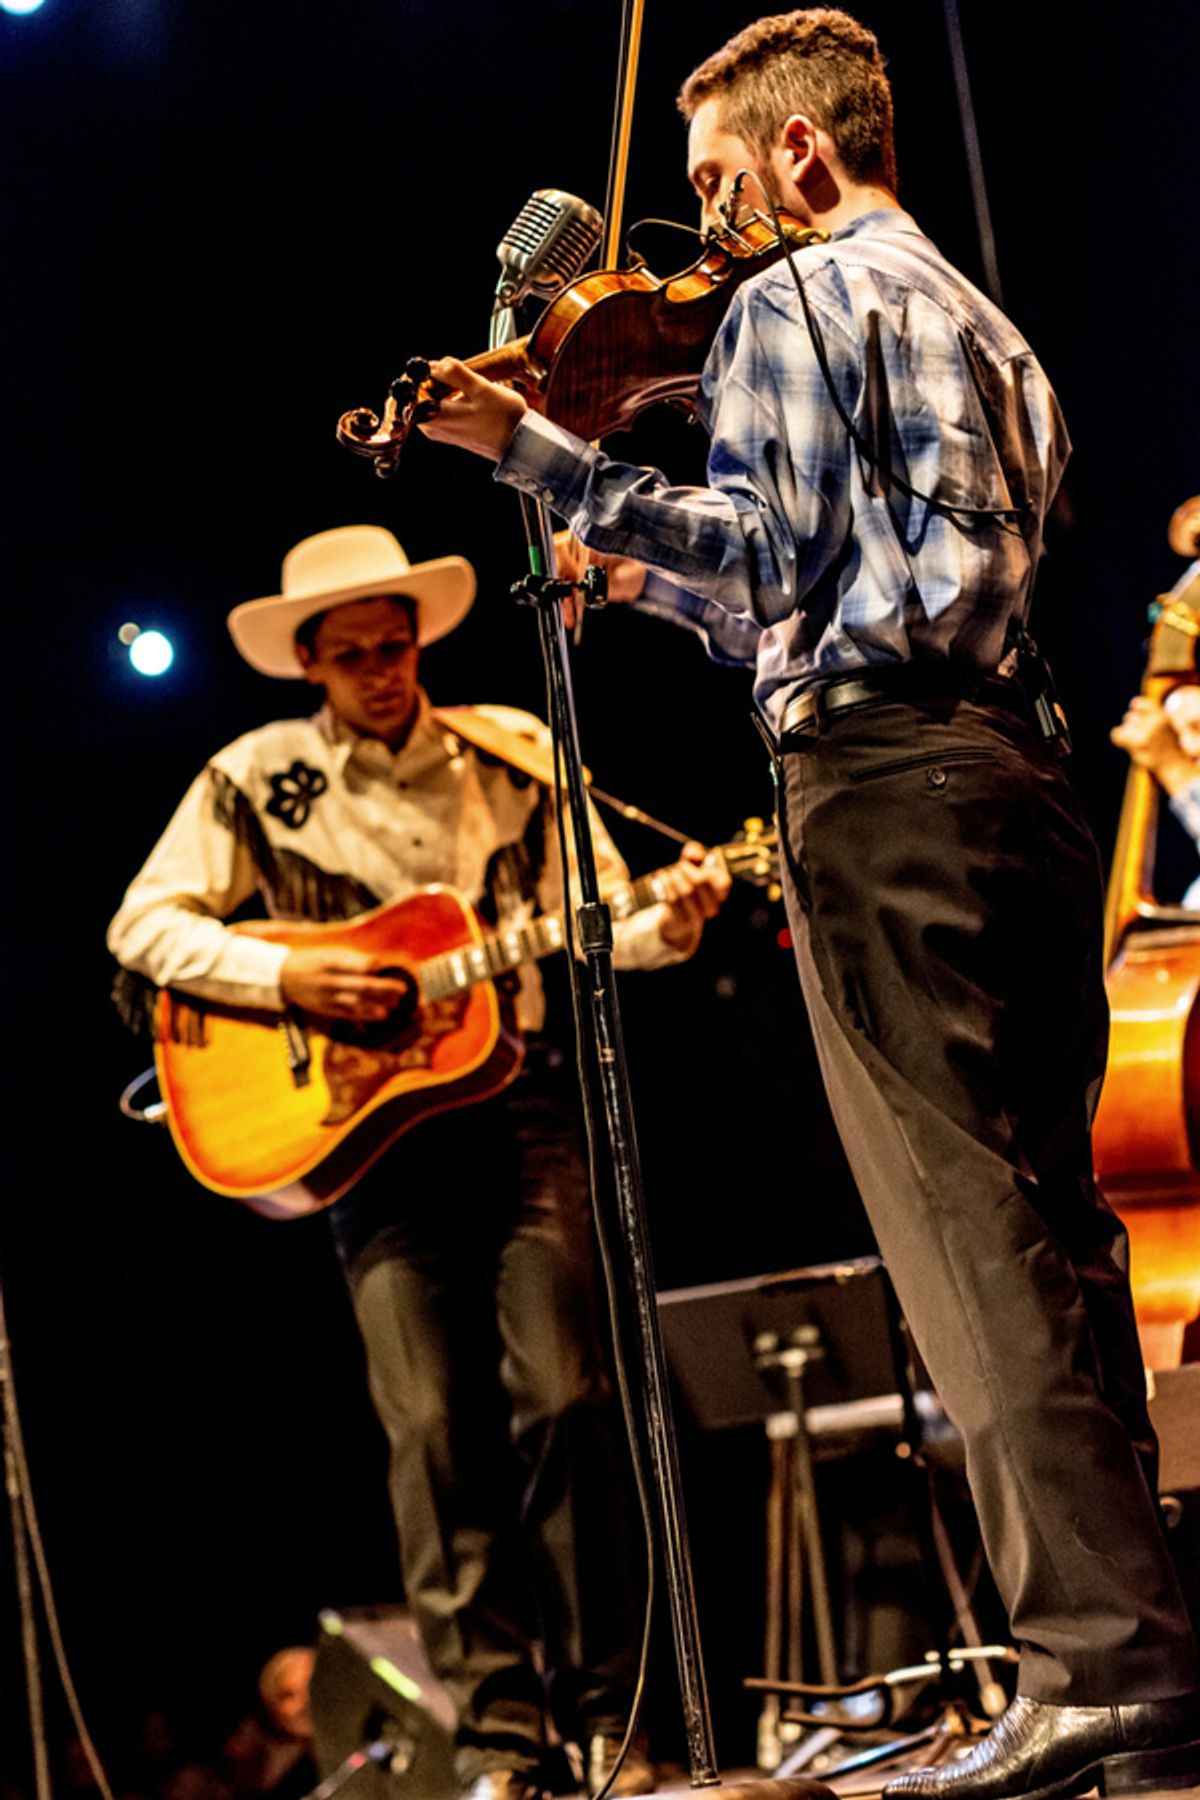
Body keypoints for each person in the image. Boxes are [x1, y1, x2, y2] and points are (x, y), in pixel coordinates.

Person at [411, 9, 1200, 1796]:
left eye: (709, 184)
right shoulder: (987, 325)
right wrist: (654, 559)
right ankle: (1142, 1660)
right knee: (1056, 1234)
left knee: (965, 1242)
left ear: (799, 157)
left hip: (875, 791)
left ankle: (1092, 1674)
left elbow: (774, 561)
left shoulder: (784, 300)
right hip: (1017, 779)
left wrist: (542, 459)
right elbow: (869, 571)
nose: (695, 236)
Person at [108, 524, 730, 1800]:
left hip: (520, 1112)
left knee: (569, 1397)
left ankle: (612, 1720)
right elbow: (145, 926)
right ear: (311, 667)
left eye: (394, 649)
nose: (382, 673)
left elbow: (603, 926)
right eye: (353, 659)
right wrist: (288, 971)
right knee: (433, 1432)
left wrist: (671, 922)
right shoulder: (254, 777)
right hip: (365, 1150)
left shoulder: (509, 749)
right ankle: (502, 1739)